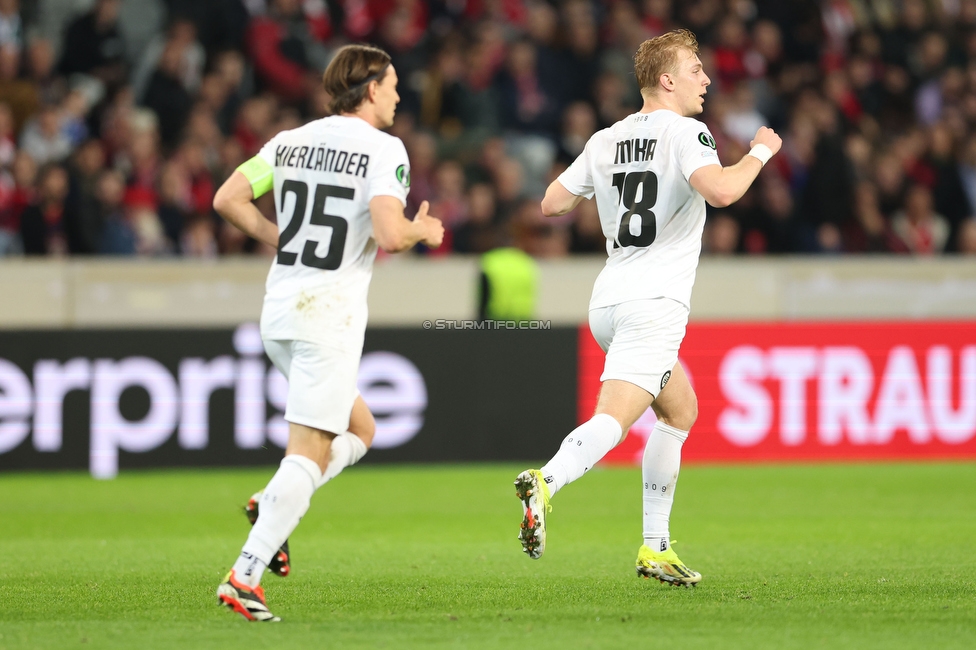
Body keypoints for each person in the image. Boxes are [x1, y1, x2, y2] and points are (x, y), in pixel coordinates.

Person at [514, 29, 781, 586]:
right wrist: (760, 150)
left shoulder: (606, 138)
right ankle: (545, 480)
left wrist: (606, 187)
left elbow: (552, 202)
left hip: (608, 300)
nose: (705, 80)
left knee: (679, 411)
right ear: (666, 80)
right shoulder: (688, 132)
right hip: (653, 303)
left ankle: (655, 548)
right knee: (613, 419)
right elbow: (723, 191)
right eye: (695, 70)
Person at [212, 43, 444, 622]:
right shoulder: (384, 149)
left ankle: (271, 502)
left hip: (282, 311)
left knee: (360, 427)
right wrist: (422, 231)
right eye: (391, 84)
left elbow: (227, 199)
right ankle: (245, 575)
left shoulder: (288, 142)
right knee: (310, 450)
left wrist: (281, 240)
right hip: (328, 318)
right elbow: (389, 235)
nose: (397, 95)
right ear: (370, 89)